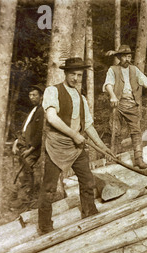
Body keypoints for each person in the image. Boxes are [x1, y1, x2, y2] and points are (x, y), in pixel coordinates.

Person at [38, 57, 114, 235]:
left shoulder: (81, 97)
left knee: (88, 181)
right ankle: (44, 227)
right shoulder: (52, 91)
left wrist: (103, 147)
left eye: (79, 75)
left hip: (76, 147)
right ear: (65, 73)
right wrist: (74, 134)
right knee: (49, 188)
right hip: (57, 145)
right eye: (73, 74)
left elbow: (87, 125)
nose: (76, 78)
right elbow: (51, 117)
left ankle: (89, 213)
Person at [103, 44, 147, 169]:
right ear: (119, 57)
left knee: (136, 131)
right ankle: (112, 157)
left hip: (132, 104)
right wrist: (112, 96)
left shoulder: (134, 69)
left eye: (129, 56)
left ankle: (138, 158)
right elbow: (108, 84)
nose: (127, 59)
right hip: (117, 103)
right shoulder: (113, 70)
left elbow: (146, 82)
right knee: (114, 131)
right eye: (124, 56)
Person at [11, 84, 45, 209]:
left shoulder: (42, 111)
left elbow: (39, 133)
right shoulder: (33, 110)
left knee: (25, 174)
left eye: (34, 95)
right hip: (23, 146)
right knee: (22, 172)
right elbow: (25, 130)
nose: (32, 97)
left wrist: (31, 149)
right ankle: (20, 199)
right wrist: (16, 142)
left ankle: (25, 202)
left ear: (41, 96)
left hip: (32, 149)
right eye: (30, 95)